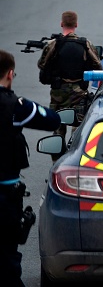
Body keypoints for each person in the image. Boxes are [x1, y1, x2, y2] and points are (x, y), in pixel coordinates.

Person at [0, 49, 61, 287]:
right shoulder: (14, 106)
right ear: (11, 73)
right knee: (6, 260)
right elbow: (52, 120)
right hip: (4, 196)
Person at [37, 11, 102, 149]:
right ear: (76, 25)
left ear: (62, 24)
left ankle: (57, 160)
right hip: (79, 93)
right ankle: (75, 156)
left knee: (57, 129)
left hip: (58, 94)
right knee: (78, 130)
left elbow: (42, 65)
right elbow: (98, 65)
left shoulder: (53, 44)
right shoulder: (85, 44)